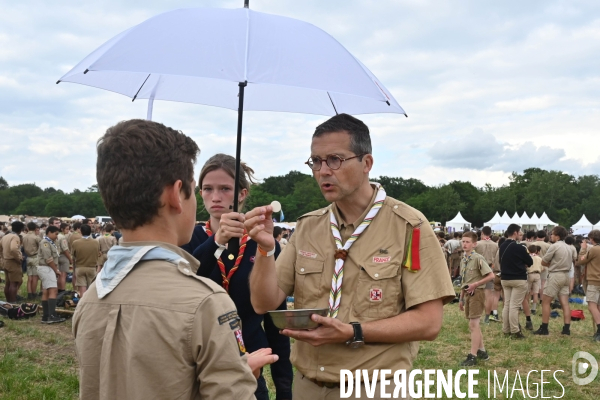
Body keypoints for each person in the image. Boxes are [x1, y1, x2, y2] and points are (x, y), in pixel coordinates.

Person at [245, 113, 455, 399]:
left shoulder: (409, 226)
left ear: (366, 163)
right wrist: (265, 249)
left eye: (335, 159)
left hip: (376, 387)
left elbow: (429, 322)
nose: (323, 171)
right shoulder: (309, 225)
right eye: (315, 162)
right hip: (308, 386)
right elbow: (263, 302)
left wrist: (352, 331)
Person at [73, 119, 274, 400]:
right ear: (177, 195)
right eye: (198, 188)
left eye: (225, 189)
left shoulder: (92, 297)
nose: (213, 197)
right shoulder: (205, 303)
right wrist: (240, 375)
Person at [187, 153, 293, 400]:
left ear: (242, 194)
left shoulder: (264, 244)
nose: (215, 197)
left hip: (251, 369)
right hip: (198, 363)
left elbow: (274, 317)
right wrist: (217, 241)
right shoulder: (190, 239)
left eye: (225, 189)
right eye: (207, 188)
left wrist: (284, 388)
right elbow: (186, 282)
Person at [458, 231, 494, 366]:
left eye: (468, 242)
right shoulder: (464, 259)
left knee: (474, 325)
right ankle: (482, 351)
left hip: (477, 293)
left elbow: (491, 276)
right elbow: (464, 280)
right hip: (468, 293)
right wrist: (461, 298)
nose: (465, 244)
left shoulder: (478, 258)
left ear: (474, 244)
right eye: (463, 241)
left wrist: (476, 284)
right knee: (474, 324)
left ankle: (472, 355)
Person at [534, 226, 572, 336]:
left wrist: (552, 265)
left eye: (553, 234)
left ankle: (544, 328)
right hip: (566, 276)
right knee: (565, 303)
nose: (551, 236)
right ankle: (566, 329)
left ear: (557, 236)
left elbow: (544, 261)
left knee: (546, 301)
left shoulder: (554, 246)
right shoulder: (569, 247)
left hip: (555, 275)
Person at [499, 224, 533, 339]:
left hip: (505, 278)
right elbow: (530, 261)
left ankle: (506, 329)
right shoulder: (520, 247)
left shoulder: (502, 245)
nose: (520, 235)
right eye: (519, 233)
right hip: (518, 278)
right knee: (514, 306)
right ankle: (515, 331)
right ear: (515, 233)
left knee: (507, 305)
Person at [37, 225, 66, 324]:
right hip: (47, 268)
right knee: (53, 290)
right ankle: (52, 315)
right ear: (49, 232)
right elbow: (48, 259)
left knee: (46, 291)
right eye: (55, 234)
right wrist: (56, 270)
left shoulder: (51, 242)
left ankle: (46, 316)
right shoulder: (45, 243)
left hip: (47, 268)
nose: (57, 236)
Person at [576, 230, 600, 341]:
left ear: (592, 239)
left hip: (594, 280)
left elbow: (581, 261)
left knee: (591, 305)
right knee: (598, 307)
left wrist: (583, 248)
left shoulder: (595, 249)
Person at [475, 226, 498, 324]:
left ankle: (476, 315)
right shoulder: (495, 245)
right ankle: (487, 317)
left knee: (477, 293)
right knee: (489, 295)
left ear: (482, 233)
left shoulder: (477, 244)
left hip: (478, 269)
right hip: (490, 269)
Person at [71, 224, 100, 296]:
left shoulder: (76, 243)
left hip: (80, 267)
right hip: (92, 267)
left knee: (82, 288)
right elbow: (98, 253)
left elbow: (73, 256)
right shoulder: (96, 242)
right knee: (91, 289)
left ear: (81, 232)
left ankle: (82, 304)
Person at [0, 221, 25, 302]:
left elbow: (0, 249)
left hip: (5, 261)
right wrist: (19, 258)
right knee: (14, 283)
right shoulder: (15, 237)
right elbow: (14, 248)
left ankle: (8, 301)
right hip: (13, 262)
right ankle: (13, 302)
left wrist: (3, 258)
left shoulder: (5, 236)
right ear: (21, 229)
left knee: (8, 283)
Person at [23, 221, 42, 301]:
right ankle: (34, 293)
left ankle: (29, 293)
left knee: (29, 277)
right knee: (35, 277)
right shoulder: (36, 237)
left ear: (27, 228)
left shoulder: (24, 236)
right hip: (35, 257)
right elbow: (41, 247)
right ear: (35, 229)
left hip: (28, 257)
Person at [525, 245, 543, 317]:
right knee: (535, 292)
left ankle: (526, 307)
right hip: (537, 274)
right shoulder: (539, 258)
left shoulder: (528, 258)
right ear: (536, 251)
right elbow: (542, 268)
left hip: (529, 274)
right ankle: (534, 308)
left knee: (527, 292)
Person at [533, 231, 551, 301]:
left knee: (534, 283)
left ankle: (534, 297)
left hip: (534, 266)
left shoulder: (533, 244)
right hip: (544, 265)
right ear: (544, 237)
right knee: (543, 283)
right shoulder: (548, 245)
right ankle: (541, 298)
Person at [57, 223, 73, 292]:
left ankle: (58, 289)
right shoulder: (62, 237)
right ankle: (62, 290)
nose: (68, 231)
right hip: (63, 256)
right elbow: (65, 249)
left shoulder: (56, 235)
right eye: (66, 229)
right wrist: (70, 259)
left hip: (57, 256)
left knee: (58, 275)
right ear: (62, 229)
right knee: (63, 275)